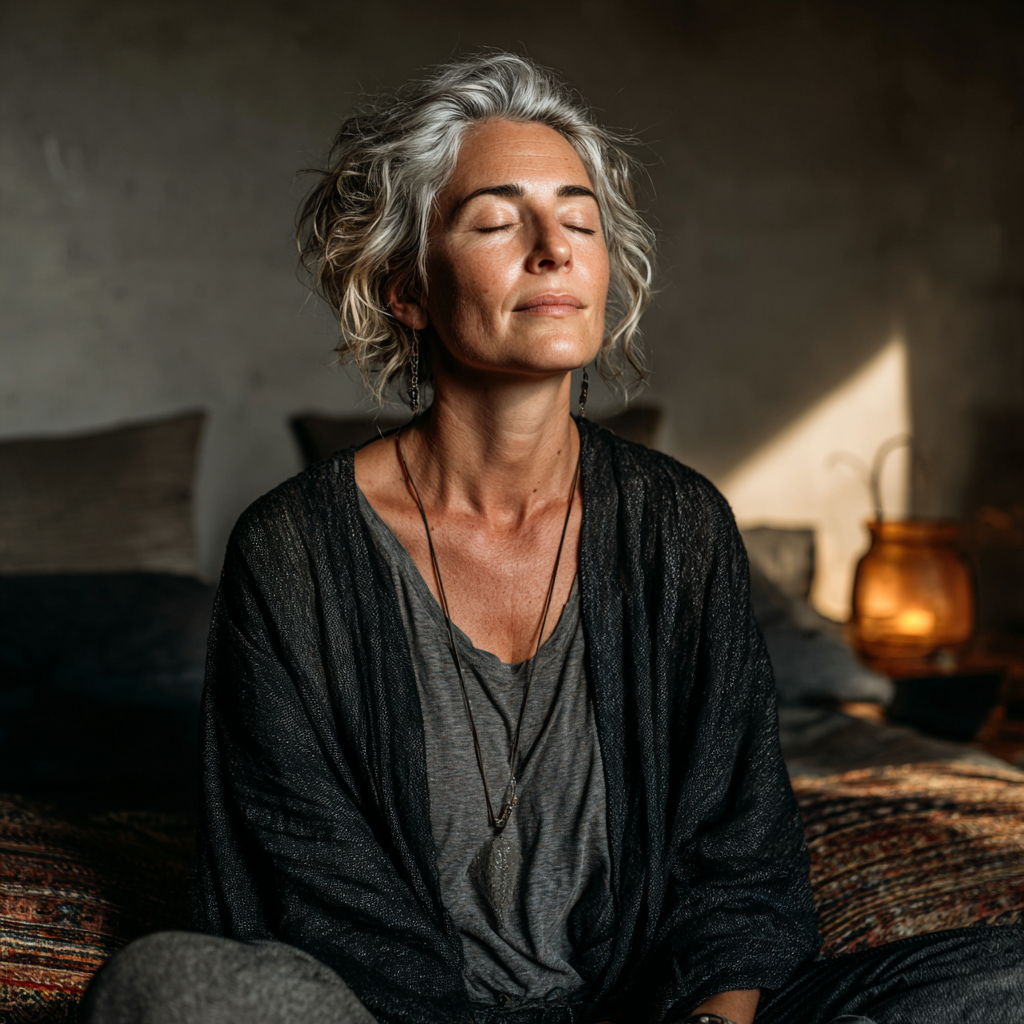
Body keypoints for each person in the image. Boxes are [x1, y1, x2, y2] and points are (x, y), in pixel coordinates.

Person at [82, 51, 1024, 1024]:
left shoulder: (679, 523)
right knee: (172, 986)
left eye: (579, 219)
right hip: (398, 1017)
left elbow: (738, 854)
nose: (553, 248)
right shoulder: (294, 553)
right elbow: (316, 898)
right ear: (406, 286)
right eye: (496, 221)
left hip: (656, 1011)